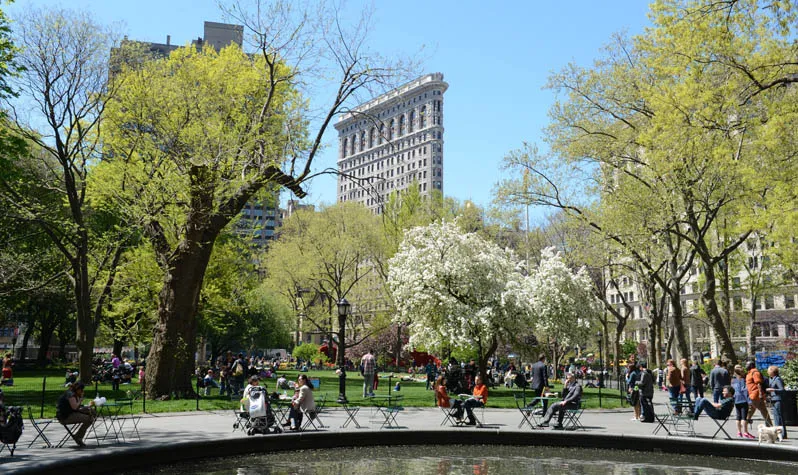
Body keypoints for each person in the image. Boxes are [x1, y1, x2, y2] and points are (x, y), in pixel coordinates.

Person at [56, 381, 96, 447]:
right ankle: (78, 437)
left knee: (92, 412)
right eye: (81, 389)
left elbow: (76, 407)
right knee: (89, 419)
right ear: (77, 389)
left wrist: (85, 407)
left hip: (70, 413)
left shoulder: (72, 393)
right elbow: (75, 407)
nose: (82, 391)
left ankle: (78, 436)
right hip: (65, 417)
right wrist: (80, 399)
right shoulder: (70, 395)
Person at [745, 361, 773, 427]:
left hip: (755, 395)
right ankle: (770, 427)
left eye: (747, 364)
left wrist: (760, 394)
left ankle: (744, 425)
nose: (746, 366)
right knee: (763, 411)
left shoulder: (755, 372)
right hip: (753, 395)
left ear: (751, 365)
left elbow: (759, 384)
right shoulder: (750, 373)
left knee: (750, 411)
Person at [731, 365, 754, 439]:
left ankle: (739, 432)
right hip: (743, 399)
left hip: (736, 399)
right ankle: (745, 432)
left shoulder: (733, 381)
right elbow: (744, 391)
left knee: (738, 417)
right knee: (744, 417)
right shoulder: (743, 380)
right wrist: (749, 401)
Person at [766, 365, 787, 439]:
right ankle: (781, 434)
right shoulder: (771, 379)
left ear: (772, 371)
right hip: (773, 399)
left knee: (778, 417)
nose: (767, 372)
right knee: (776, 417)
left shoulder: (777, 379)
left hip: (778, 399)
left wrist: (773, 390)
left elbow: (782, 389)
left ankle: (780, 434)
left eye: (769, 370)